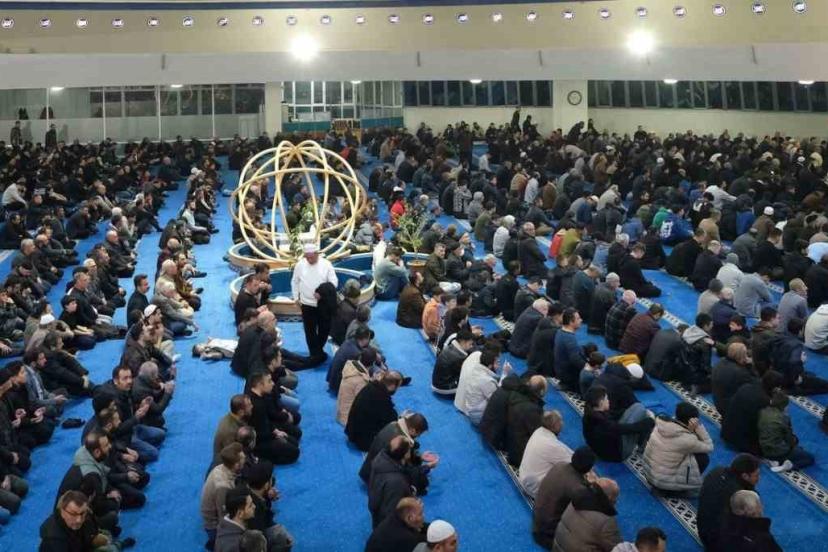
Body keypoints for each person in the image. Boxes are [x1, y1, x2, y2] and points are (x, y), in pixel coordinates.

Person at [533, 447, 597, 549]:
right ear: (589, 469)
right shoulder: (578, 489)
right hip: (549, 536)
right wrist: (593, 485)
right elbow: (595, 506)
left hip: (537, 523)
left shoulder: (559, 465)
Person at [642, 402, 713, 494]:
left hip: (648, 473)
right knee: (703, 458)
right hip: (662, 482)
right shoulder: (687, 439)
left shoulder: (661, 423)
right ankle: (672, 491)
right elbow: (709, 447)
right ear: (692, 421)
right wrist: (698, 428)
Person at [696, 453, 762, 551]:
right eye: (756, 475)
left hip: (702, 531)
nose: (759, 478)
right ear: (745, 476)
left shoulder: (716, 471)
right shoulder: (742, 496)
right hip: (718, 544)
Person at [291, 243, 338, 364]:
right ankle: (315, 354)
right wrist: (296, 297)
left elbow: (334, 282)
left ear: (317, 254)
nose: (309, 260)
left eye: (311, 257)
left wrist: (322, 292)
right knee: (309, 331)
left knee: (324, 329)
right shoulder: (300, 265)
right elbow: (295, 281)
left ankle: (317, 352)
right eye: (307, 257)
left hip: (323, 304)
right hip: (306, 304)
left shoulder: (326, 264)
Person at [39, 490, 132, 552]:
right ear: (62, 511)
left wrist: (95, 537)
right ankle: (118, 545)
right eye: (73, 514)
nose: (79, 520)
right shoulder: (54, 540)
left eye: (82, 513)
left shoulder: (86, 515)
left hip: (82, 545)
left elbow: (94, 529)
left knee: (106, 532)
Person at [583, 385, 654, 462]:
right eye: (606, 399)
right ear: (601, 402)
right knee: (642, 412)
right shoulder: (604, 424)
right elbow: (630, 428)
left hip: (598, 449)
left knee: (637, 408)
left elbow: (614, 416)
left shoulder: (589, 414)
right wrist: (650, 421)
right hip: (617, 454)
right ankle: (641, 448)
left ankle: (641, 443)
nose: (608, 400)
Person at [722, 371, 783, 456]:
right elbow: (762, 427)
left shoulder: (745, 387)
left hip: (726, 431)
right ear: (775, 389)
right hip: (741, 442)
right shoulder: (764, 401)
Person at [552, 478, 622, 552]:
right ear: (610, 499)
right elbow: (617, 548)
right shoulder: (606, 522)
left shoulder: (576, 499)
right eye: (615, 499)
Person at [246, 372, 300, 465]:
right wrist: (275, 436)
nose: (273, 383)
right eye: (269, 381)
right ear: (260, 385)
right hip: (260, 441)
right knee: (295, 453)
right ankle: (263, 457)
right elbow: (259, 433)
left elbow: (267, 419)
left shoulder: (262, 395)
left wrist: (276, 431)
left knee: (295, 440)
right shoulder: (254, 406)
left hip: (268, 429)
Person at [519, 411, 573, 499]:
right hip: (536, 488)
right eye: (561, 421)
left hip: (524, 478)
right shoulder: (552, 445)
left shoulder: (539, 431)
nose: (563, 423)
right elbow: (574, 461)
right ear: (555, 426)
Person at [201, 443, 245, 550]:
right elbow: (224, 517)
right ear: (236, 465)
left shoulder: (221, 467)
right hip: (214, 526)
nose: (245, 458)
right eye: (243, 458)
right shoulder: (223, 487)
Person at [346, 371, 403, 451]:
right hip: (364, 442)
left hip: (351, 431)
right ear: (393, 386)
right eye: (398, 387)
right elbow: (391, 420)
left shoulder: (370, 386)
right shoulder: (383, 399)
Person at [758, 389, 814, 471]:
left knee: (798, 450)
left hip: (763, 448)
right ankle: (789, 466)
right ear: (784, 406)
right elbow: (789, 440)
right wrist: (795, 441)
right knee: (809, 458)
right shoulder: (783, 418)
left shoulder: (763, 411)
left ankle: (777, 461)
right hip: (778, 451)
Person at [368, 436, 416, 528]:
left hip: (376, 503)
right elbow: (391, 512)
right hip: (386, 523)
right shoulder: (396, 482)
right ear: (406, 454)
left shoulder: (381, 458)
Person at [454, 345, 509, 424]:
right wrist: (504, 374)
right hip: (478, 417)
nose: (499, 365)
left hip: (470, 408)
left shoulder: (476, 369)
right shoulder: (487, 381)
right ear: (490, 366)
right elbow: (496, 398)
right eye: (497, 362)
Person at [505, 375, 547, 467]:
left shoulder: (517, 395)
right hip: (521, 455)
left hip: (509, 443)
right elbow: (537, 434)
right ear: (541, 391)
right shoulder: (533, 410)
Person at [214, 487, 257, 552]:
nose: (254, 506)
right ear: (240, 513)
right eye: (250, 505)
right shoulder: (234, 546)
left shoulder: (225, 525)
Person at [553, 308, 587, 391]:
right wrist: (589, 368)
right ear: (571, 322)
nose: (581, 320)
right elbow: (576, 361)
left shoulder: (560, 331)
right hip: (568, 375)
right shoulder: (569, 339)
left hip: (560, 369)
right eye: (578, 319)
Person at [432, 329, 474, 394]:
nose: (471, 346)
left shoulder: (450, 347)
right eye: (470, 344)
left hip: (436, 383)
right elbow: (464, 374)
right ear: (463, 342)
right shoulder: (460, 357)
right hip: (444, 387)